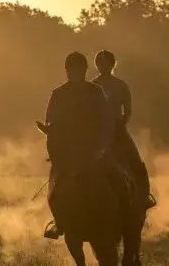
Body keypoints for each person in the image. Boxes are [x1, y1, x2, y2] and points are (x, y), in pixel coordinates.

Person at [42, 52, 131, 240]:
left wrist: (102, 148)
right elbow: (51, 122)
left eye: (78, 71)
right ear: (66, 71)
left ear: (84, 71)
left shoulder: (95, 92)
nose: (75, 75)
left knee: (118, 178)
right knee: (55, 190)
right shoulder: (58, 94)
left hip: (94, 150)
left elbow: (107, 122)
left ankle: (127, 218)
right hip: (69, 153)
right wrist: (55, 145)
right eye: (71, 71)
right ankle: (58, 223)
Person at [91, 49, 156, 210]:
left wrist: (120, 125)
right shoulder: (91, 86)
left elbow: (127, 111)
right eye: (101, 64)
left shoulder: (121, 86)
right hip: (96, 133)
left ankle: (144, 195)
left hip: (118, 132)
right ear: (96, 65)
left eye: (107, 64)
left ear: (113, 65)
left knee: (136, 161)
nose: (104, 67)